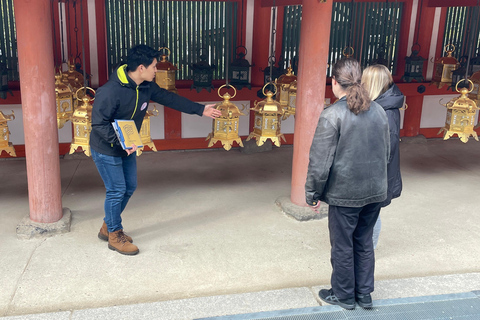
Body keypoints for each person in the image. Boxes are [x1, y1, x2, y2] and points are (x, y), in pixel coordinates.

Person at [90, 44, 221, 256]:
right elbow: (99, 125)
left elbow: (169, 98)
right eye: (154, 66)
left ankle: (108, 226)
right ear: (141, 68)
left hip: (127, 147)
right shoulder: (109, 91)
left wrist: (200, 109)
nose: (156, 70)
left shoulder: (146, 86)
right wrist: (120, 141)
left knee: (130, 187)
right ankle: (114, 234)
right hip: (106, 148)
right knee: (116, 191)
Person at [305, 58, 390, 310]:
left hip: (345, 193)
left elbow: (320, 162)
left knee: (342, 245)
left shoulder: (332, 115)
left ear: (334, 82)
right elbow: (386, 152)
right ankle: (364, 294)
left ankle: (343, 295)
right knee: (364, 242)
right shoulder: (379, 111)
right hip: (375, 190)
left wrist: (312, 192)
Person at [361, 65, 403, 250]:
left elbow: (388, 148)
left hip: (377, 173)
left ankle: (369, 249)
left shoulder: (386, 112)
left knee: (372, 213)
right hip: (371, 170)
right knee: (367, 213)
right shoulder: (381, 105)